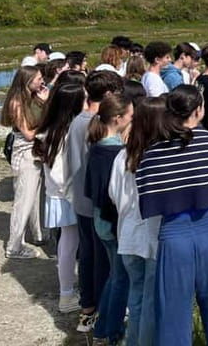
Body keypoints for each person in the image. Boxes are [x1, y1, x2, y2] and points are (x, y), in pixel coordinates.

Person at [136, 85, 208, 346]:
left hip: (175, 235)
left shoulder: (152, 154)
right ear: (199, 110)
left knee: (172, 313)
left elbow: (149, 203)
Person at [67, 70, 124, 333]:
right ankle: (102, 314)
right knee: (102, 263)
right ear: (110, 95)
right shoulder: (97, 126)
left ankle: (86, 310)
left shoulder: (77, 120)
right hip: (96, 204)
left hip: (79, 199)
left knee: (88, 257)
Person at [110, 97, 166, 346]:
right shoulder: (161, 157)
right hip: (153, 238)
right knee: (152, 300)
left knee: (136, 297)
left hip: (128, 235)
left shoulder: (123, 155)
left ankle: (132, 341)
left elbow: (114, 194)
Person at [32, 81, 86, 312]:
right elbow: (63, 172)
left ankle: (68, 292)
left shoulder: (47, 130)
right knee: (73, 244)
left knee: (67, 243)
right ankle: (69, 294)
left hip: (58, 194)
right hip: (70, 194)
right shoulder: (67, 133)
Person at [85, 93, 134, 345]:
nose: (133, 119)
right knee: (120, 279)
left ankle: (103, 327)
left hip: (99, 220)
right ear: (118, 118)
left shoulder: (95, 146)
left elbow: (89, 190)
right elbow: (115, 197)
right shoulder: (116, 152)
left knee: (115, 276)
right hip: (113, 223)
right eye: (131, 116)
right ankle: (109, 332)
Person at [0, 66, 49, 258]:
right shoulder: (16, 102)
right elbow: (28, 134)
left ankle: (38, 234)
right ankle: (14, 247)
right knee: (24, 200)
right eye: (38, 78)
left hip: (36, 152)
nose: (41, 81)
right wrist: (45, 128)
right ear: (27, 81)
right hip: (26, 152)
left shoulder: (34, 98)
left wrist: (44, 103)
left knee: (37, 196)